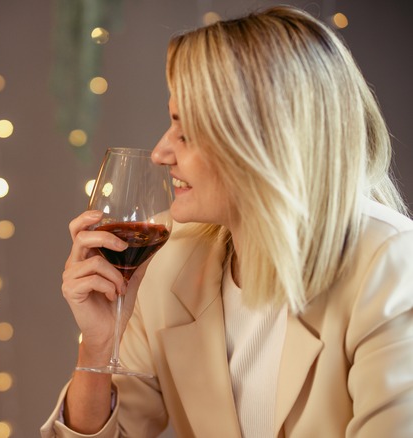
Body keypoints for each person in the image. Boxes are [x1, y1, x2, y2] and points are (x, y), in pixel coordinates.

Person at [42, 5, 413, 438]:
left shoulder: (392, 266)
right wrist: (98, 346)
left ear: (263, 141)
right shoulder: (168, 256)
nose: (160, 153)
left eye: (185, 131)